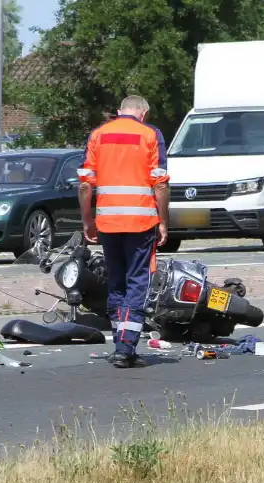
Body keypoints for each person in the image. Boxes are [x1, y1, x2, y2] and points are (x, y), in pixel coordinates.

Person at [77, 95, 170, 368]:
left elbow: (84, 185)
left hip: (107, 223)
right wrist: (163, 221)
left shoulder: (98, 135)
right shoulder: (150, 134)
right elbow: (160, 184)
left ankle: (120, 341)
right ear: (144, 113)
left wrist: (87, 221)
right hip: (141, 223)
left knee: (116, 280)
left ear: (120, 112)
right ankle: (126, 347)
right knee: (138, 281)